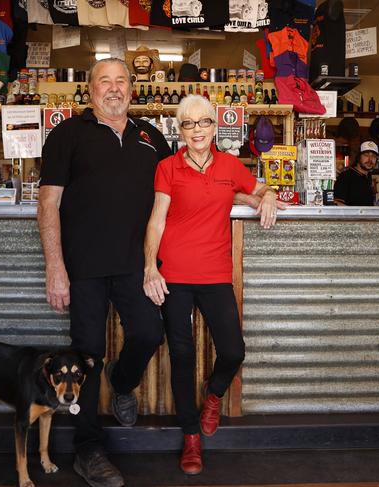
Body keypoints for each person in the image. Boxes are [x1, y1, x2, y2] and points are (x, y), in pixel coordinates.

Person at [38, 58, 172, 487]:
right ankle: (88, 448)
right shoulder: (67, 134)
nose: (113, 88)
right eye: (104, 81)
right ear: (90, 89)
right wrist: (55, 268)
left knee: (150, 333)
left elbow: (183, 187)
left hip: (137, 264)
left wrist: (254, 190)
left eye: (121, 81)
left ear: (132, 88)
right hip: (85, 268)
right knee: (87, 355)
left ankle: (123, 378)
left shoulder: (151, 137)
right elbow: (48, 204)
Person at [142, 94, 282, 475]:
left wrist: (266, 196)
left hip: (215, 274)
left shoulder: (230, 165)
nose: (197, 130)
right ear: (180, 130)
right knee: (182, 356)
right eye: (188, 124)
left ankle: (214, 393)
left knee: (234, 350)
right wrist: (149, 269)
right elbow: (157, 218)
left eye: (203, 122)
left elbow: (253, 188)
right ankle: (190, 436)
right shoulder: (167, 167)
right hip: (173, 274)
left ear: (215, 126)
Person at [333, 140, 378, 206]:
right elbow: (337, 203)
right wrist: (353, 214)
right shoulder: (345, 176)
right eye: (366, 155)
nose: (370, 159)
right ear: (358, 157)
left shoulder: (368, 176)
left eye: (373, 156)